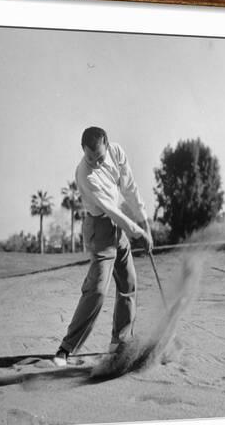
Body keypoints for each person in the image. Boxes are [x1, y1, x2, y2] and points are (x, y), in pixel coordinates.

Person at [54, 126, 153, 366]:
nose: (96, 163)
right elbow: (110, 209)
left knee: (128, 283)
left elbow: (130, 188)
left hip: (119, 227)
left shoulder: (117, 152)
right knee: (97, 290)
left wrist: (145, 222)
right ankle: (65, 349)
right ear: (83, 151)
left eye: (99, 157)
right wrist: (138, 232)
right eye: (90, 158)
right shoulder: (84, 174)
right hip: (100, 228)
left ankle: (120, 342)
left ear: (106, 145)